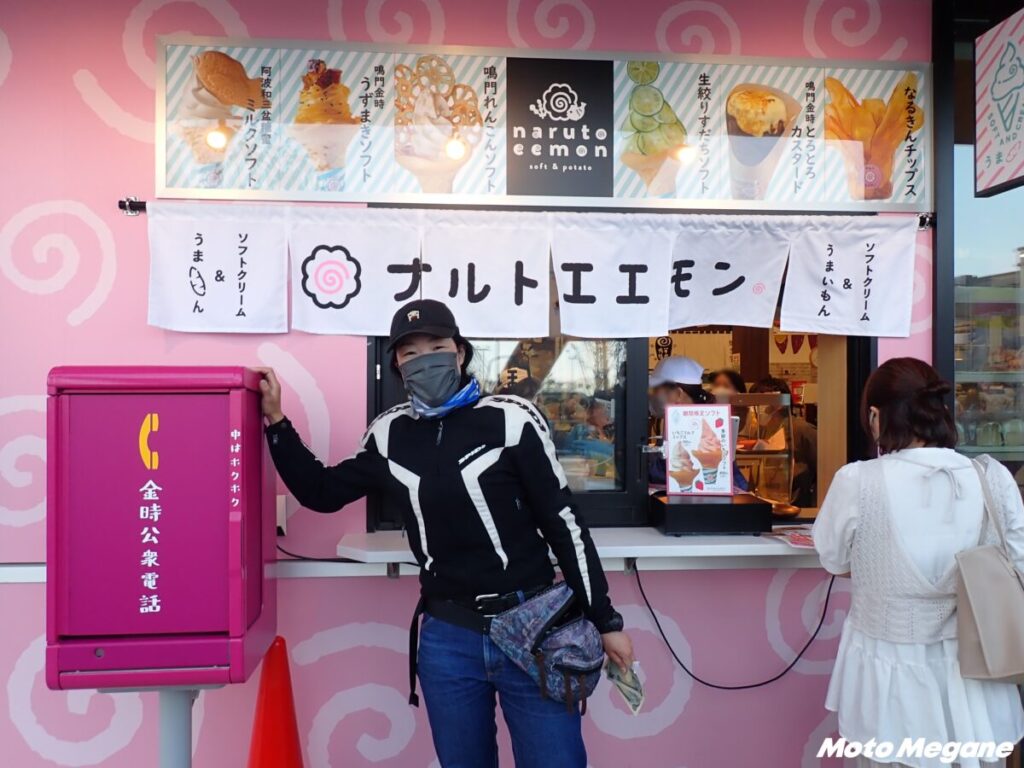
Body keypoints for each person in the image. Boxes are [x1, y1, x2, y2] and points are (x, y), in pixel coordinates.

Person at [255, 299, 633, 768]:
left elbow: (564, 524)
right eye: (410, 352)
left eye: (436, 346)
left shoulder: (511, 419)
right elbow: (321, 491)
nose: (424, 358)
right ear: (396, 363)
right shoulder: (389, 434)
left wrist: (606, 620)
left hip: (536, 626)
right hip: (448, 638)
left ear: (459, 352)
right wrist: (277, 421)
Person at [812, 357, 1024, 768]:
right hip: (978, 669)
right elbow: (1017, 560)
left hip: (887, 674)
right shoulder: (989, 476)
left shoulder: (858, 481)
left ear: (875, 416)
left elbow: (834, 559)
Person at [647, 355, 749, 491]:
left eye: (655, 390)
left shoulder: (703, 432)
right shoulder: (675, 425)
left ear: (677, 394)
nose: (650, 395)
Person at [749, 377, 817, 507]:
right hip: (764, 503)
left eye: (766, 403)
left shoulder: (802, 430)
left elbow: (822, 469)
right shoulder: (760, 431)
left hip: (796, 506)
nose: (761, 409)